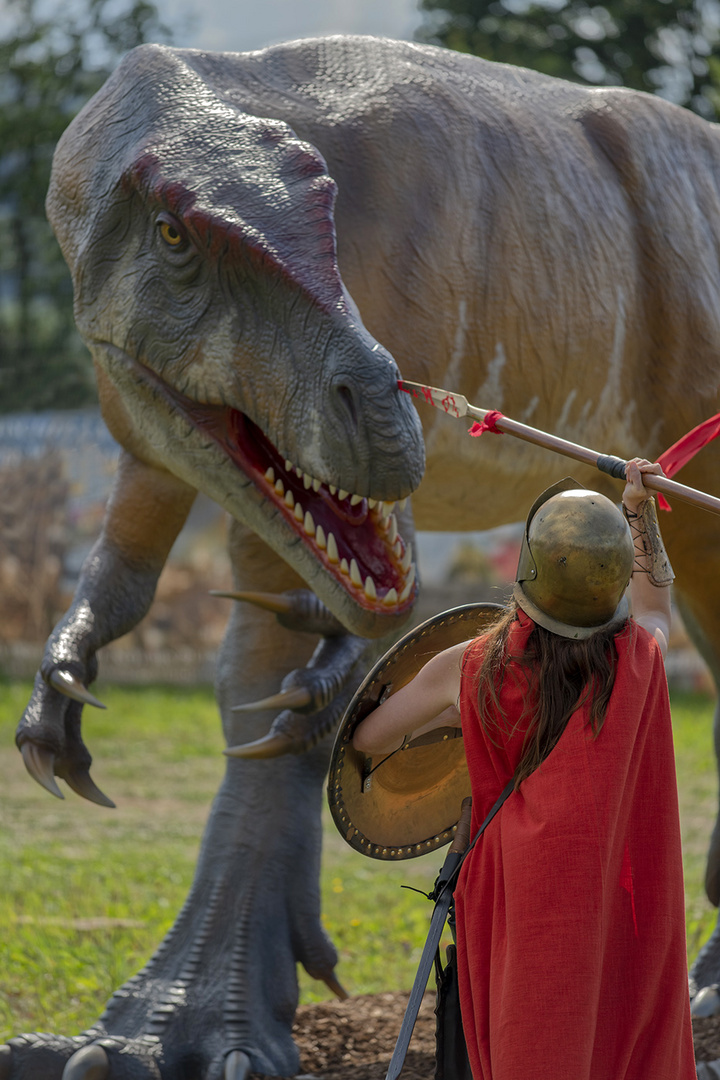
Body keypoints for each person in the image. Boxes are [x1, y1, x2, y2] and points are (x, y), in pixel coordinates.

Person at [353, 460, 696, 1080]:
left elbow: (372, 736)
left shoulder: (473, 665)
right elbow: (656, 607)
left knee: (532, 1038)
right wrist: (640, 509)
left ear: (529, 570)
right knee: (613, 1028)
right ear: (609, 579)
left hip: (521, 891)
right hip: (611, 893)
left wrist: (455, 720)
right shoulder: (638, 664)